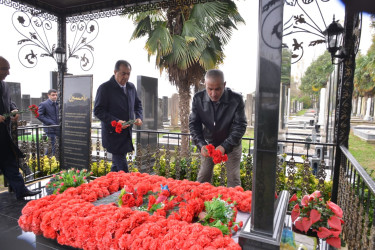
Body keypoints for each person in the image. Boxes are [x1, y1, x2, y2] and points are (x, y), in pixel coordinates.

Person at [189, 69, 247, 187]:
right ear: (205, 84)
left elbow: (240, 126)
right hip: (209, 144)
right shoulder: (198, 98)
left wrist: (225, 146)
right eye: (210, 89)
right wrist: (201, 144)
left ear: (224, 85)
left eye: (217, 89)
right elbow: (194, 124)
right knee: (203, 177)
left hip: (232, 144)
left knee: (233, 179)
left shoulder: (236, 99)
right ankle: (200, 203)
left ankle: (234, 204)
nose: (213, 94)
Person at [0, 56, 41, 200]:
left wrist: (14, 110)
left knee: (10, 164)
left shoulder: (4, 85)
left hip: (4, 135)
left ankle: (21, 191)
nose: (8, 72)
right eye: (5, 69)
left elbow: (9, 102)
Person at [94, 60, 143, 172]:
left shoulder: (131, 87)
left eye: (128, 74)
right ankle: (126, 187)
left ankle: (109, 186)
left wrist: (139, 117)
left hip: (127, 135)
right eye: (123, 73)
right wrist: (116, 121)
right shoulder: (105, 88)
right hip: (113, 135)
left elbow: (138, 105)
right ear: (115, 72)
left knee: (116, 168)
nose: (126, 76)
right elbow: (98, 111)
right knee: (123, 169)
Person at [37, 89, 59, 155]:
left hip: (57, 127)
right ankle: (53, 161)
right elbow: (39, 115)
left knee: (53, 145)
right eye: (53, 95)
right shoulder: (44, 104)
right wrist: (50, 122)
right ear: (48, 95)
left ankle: (45, 158)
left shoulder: (57, 104)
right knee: (53, 145)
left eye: (56, 95)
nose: (55, 96)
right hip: (50, 128)